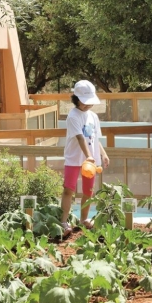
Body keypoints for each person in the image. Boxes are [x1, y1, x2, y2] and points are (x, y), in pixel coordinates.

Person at [60, 80, 110, 237]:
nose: (88, 105)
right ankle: (63, 221)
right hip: (75, 158)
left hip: (91, 161)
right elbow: (81, 138)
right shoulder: (73, 116)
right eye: (84, 102)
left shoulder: (93, 116)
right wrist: (88, 156)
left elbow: (95, 138)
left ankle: (83, 219)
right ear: (76, 99)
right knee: (69, 189)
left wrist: (102, 153)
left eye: (90, 102)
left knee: (89, 191)